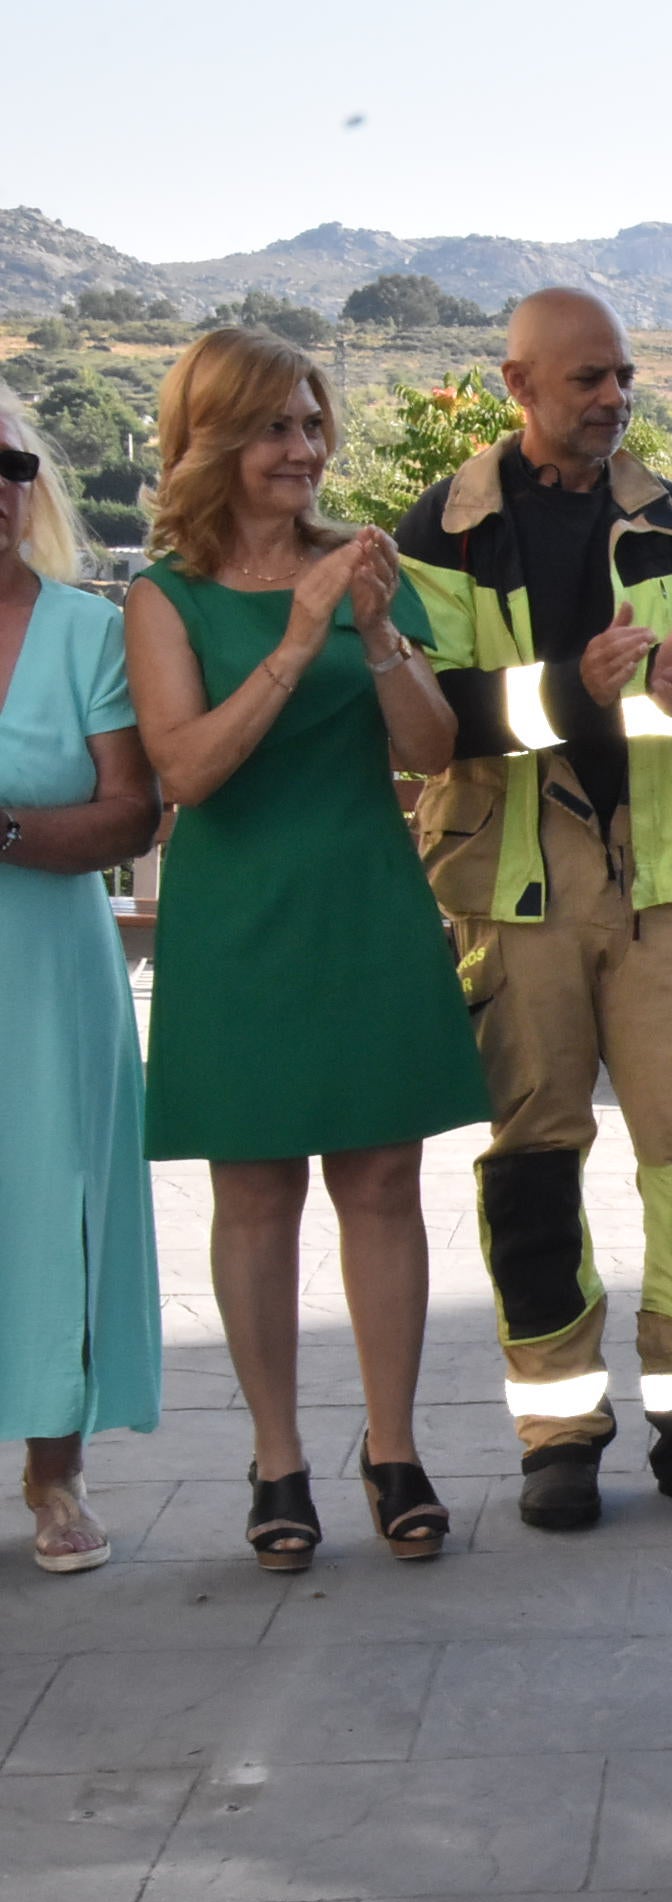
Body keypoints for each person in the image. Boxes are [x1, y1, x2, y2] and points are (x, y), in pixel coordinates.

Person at [393, 290, 672, 1533]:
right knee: (532, 1173)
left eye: (621, 376)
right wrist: (576, 684)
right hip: (517, 889)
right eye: (586, 381)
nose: (614, 397)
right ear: (516, 384)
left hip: (663, 883)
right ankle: (558, 1433)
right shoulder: (441, 529)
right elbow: (443, 721)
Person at [123, 328, 491, 1571]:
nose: (302, 448)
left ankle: (395, 1450)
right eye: (274, 426)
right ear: (215, 441)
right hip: (241, 919)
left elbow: (434, 751)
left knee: (384, 1179)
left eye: (311, 422)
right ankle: (278, 1459)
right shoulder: (160, 597)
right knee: (257, 1189)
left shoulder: (367, 564)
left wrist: (379, 634)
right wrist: (296, 638)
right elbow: (187, 770)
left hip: (367, 903)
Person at [0, 388, 163, 1575]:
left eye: (7, 463)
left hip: (48, 963)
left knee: (53, 1198)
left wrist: (6, 831)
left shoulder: (85, 629)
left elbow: (130, 813)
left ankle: (55, 1470)